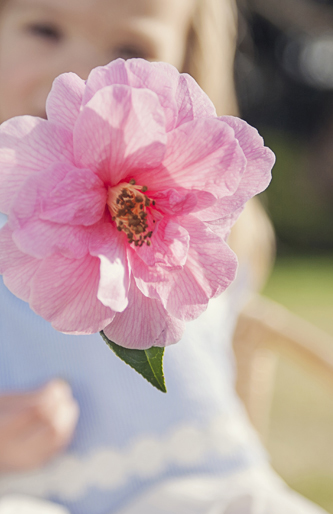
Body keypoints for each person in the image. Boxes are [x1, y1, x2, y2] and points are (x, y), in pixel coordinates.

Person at [0, 0, 328, 513]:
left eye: (130, 49)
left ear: (186, 61)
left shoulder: (215, 218)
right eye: (45, 29)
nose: (85, 70)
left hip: (206, 485)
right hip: (34, 492)